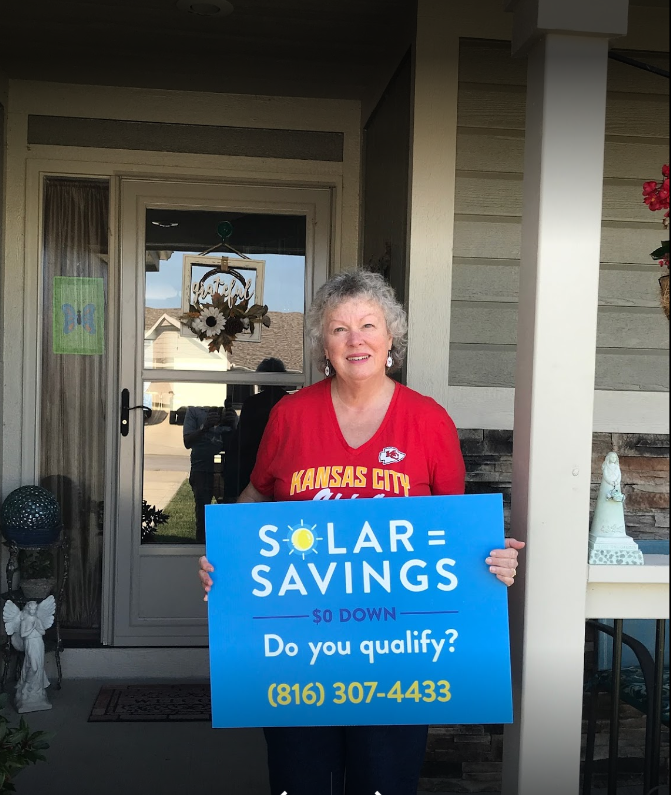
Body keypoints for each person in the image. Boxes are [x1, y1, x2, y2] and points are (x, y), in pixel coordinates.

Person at [198, 270, 524, 795]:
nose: (356, 340)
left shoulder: (429, 421)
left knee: (382, 782)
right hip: (298, 649)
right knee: (302, 780)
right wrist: (227, 559)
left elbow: (454, 529)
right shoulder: (289, 416)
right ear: (323, 345)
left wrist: (491, 561)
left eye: (369, 325)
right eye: (339, 328)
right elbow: (257, 497)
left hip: (397, 651)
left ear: (391, 337)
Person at [183, 397, 238, 543]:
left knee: (229, 515)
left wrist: (234, 425)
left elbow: (240, 445)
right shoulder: (194, 411)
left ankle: (227, 548)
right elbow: (187, 442)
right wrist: (205, 427)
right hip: (202, 469)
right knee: (202, 516)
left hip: (227, 471)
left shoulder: (231, 413)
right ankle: (200, 549)